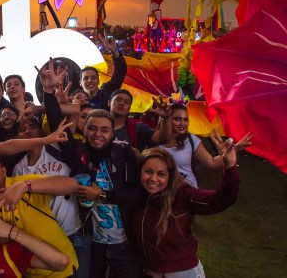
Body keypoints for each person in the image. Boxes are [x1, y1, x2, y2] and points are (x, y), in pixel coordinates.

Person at [133, 143, 240, 277]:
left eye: (161, 174)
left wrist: (230, 167)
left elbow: (221, 200)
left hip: (182, 273)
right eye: (148, 171)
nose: (153, 179)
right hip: (151, 271)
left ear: (169, 177)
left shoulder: (182, 195)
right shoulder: (136, 196)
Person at [0, 147, 80, 277]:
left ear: (4, 171)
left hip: (64, 270)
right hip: (28, 274)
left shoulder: (23, 183)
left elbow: (72, 185)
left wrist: (25, 186)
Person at [75, 109, 143, 278]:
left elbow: (137, 194)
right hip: (93, 244)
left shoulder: (124, 154)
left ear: (113, 133)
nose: (97, 134)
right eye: (92, 128)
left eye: (104, 130)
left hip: (125, 242)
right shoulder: (78, 155)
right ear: (84, 129)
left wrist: (102, 194)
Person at [155, 103, 253, 188]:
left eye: (186, 119)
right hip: (160, 190)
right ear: (167, 119)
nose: (183, 123)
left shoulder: (191, 139)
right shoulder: (154, 139)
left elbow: (212, 163)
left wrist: (235, 149)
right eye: (178, 119)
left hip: (187, 191)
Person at [79, 34, 127, 110]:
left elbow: (120, 72)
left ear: (98, 81)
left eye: (93, 77)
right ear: (80, 83)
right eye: (86, 78)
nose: (90, 80)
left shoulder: (107, 93)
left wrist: (114, 51)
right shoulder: (75, 100)